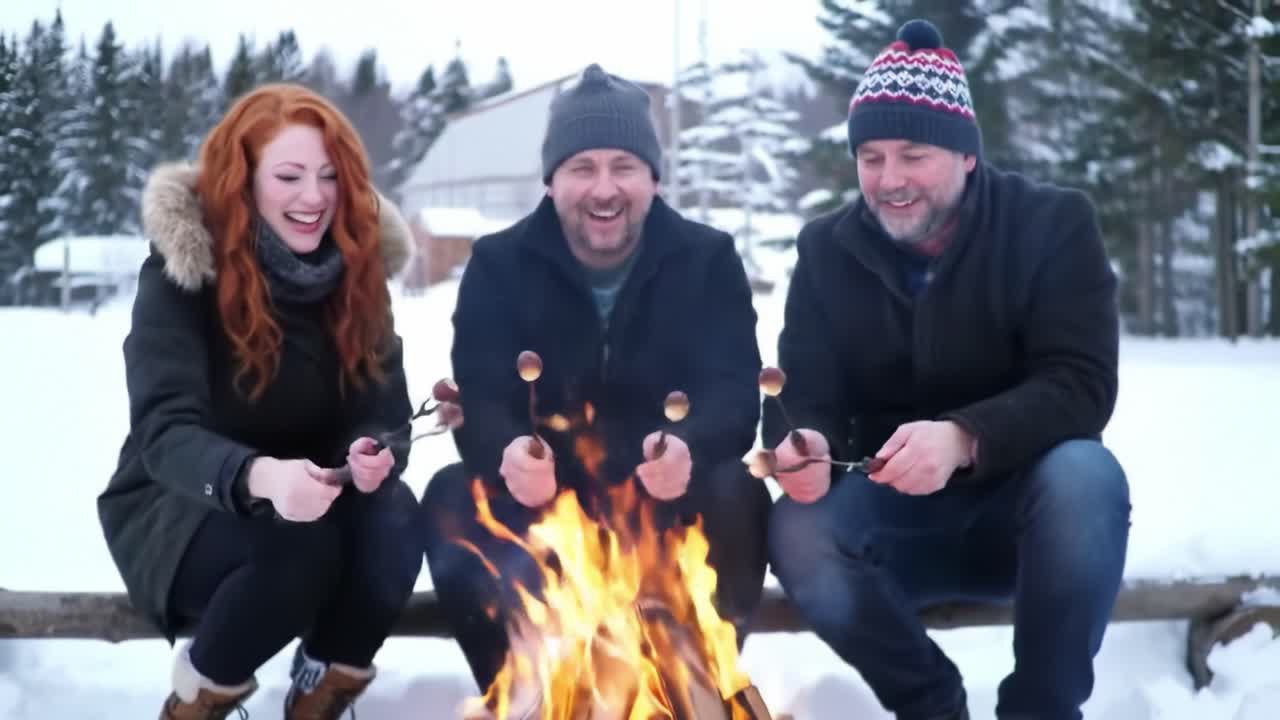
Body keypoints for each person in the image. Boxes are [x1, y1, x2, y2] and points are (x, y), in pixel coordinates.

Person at [763, 19, 1131, 720]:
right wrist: (803, 443)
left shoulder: (1052, 225)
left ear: (966, 155)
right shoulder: (826, 250)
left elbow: (1082, 385)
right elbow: (806, 392)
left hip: (1030, 525)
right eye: (870, 156)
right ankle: (930, 705)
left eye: (913, 154)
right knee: (798, 529)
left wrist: (963, 437)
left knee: (1087, 475)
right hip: (892, 525)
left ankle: (1043, 710)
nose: (889, 179)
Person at [419, 64, 771, 708]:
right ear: (552, 181)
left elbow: (733, 393)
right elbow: (485, 392)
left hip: (664, 496)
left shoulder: (707, 259)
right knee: (451, 496)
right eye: (582, 168)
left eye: (623, 167)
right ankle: (527, 697)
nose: (603, 188)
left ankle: (691, 693)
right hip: (548, 500)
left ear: (653, 178)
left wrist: (689, 445)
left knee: (738, 489)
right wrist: (507, 450)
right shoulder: (499, 264)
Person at [97, 83, 424, 720]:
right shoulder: (182, 274)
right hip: (185, 504)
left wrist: (371, 453)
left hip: (317, 496)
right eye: (290, 176)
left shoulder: (359, 276)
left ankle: (324, 685)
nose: (313, 197)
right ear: (241, 181)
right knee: (301, 545)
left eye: (330, 177)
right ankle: (199, 692)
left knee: (398, 521)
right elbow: (165, 432)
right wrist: (259, 477)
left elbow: (384, 412)